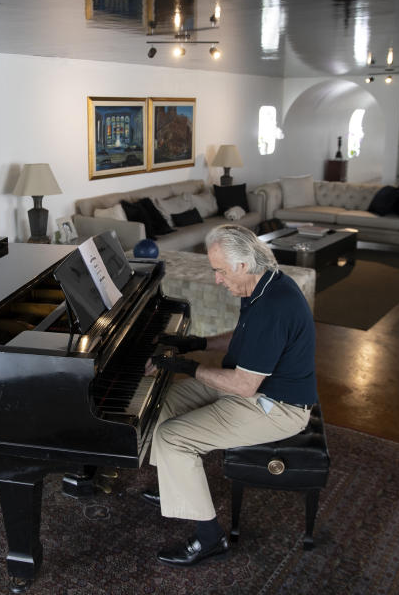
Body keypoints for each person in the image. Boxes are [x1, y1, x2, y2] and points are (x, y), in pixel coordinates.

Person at [142, 223, 318, 567]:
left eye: (220, 271)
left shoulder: (274, 306)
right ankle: (174, 480)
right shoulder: (262, 284)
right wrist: (196, 343)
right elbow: (243, 334)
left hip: (277, 406)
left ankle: (210, 539)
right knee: (162, 400)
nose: (218, 280)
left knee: (174, 437)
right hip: (254, 390)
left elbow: (243, 386)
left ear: (241, 265)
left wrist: (185, 365)